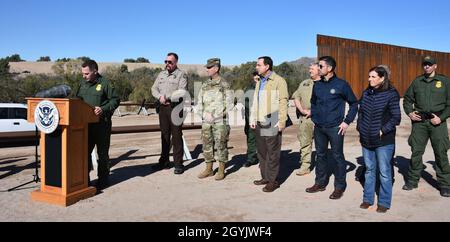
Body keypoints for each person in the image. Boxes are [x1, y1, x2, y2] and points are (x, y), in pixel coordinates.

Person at [306, 56, 358, 200]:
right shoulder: (317, 84)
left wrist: (347, 122)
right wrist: (315, 118)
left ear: (329, 68)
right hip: (319, 128)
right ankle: (320, 183)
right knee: (320, 155)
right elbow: (313, 102)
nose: (318, 68)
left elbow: (354, 104)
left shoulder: (342, 85)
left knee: (337, 157)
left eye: (320, 66)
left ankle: (339, 187)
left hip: (336, 128)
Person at [402, 56, 450, 197]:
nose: (426, 67)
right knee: (416, 151)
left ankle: (445, 184)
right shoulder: (417, 82)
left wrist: (441, 118)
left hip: (438, 122)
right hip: (420, 123)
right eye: (425, 65)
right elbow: (407, 99)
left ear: (435, 66)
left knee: (441, 152)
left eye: (429, 64)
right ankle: (412, 180)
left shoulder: (444, 81)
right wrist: (410, 113)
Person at [357, 66, 401, 213]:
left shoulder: (391, 94)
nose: (370, 79)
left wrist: (383, 130)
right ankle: (368, 199)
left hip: (383, 141)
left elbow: (396, 117)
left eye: (373, 77)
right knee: (369, 170)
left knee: (384, 172)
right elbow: (361, 112)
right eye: (369, 76)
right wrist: (360, 128)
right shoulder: (366, 93)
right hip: (366, 139)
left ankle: (384, 202)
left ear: (382, 78)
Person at [76, 59, 120, 190]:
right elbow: (77, 100)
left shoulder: (105, 83)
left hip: (102, 125)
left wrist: (103, 109)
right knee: (84, 154)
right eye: (83, 74)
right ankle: (85, 180)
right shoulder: (82, 84)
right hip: (86, 126)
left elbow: (115, 100)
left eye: (86, 73)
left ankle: (103, 180)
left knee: (102, 154)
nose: (84, 76)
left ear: (95, 71)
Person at [250, 56, 289, 192]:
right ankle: (265, 177)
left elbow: (283, 101)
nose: (256, 67)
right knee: (262, 151)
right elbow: (256, 101)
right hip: (260, 120)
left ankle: (273, 181)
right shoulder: (259, 81)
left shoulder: (279, 81)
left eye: (259, 65)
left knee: (272, 152)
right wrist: (253, 118)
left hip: (272, 119)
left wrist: (282, 120)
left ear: (267, 66)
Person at [151, 53, 188, 175]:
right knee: (164, 135)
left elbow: (182, 91)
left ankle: (178, 163)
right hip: (163, 109)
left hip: (175, 108)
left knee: (176, 136)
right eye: (166, 61)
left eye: (170, 62)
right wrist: (160, 97)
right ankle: (164, 161)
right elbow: (153, 89)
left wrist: (166, 96)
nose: (167, 64)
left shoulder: (181, 75)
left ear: (176, 62)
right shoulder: (161, 74)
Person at [196, 58, 232, 180]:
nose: (207, 69)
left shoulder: (224, 84)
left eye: (209, 67)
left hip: (220, 121)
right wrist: (203, 115)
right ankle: (209, 169)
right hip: (206, 121)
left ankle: (221, 170)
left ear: (216, 68)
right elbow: (199, 102)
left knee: (221, 144)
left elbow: (229, 103)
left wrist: (216, 116)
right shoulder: (205, 85)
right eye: (207, 67)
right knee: (206, 145)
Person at [292, 62, 321, 176]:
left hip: (320, 118)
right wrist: (302, 110)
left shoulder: (325, 84)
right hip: (305, 118)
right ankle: (305, 166)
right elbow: (296, 97)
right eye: (310, 69)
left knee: (321, 144)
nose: (310, 71)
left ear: (319, 70)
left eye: (312, 69)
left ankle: (322, 167)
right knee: (304, 142)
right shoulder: (304, 83)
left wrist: (314, 111)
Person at [243, 72, 260, 167]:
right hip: (250, 118)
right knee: (251, 139)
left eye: (258, 76)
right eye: (254, 76)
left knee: (264, 140)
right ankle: (251, 159)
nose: (256, 77)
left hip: (263, 118)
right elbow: (245, 104)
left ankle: (263, 160)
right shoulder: (248, 88)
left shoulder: (265, 87)